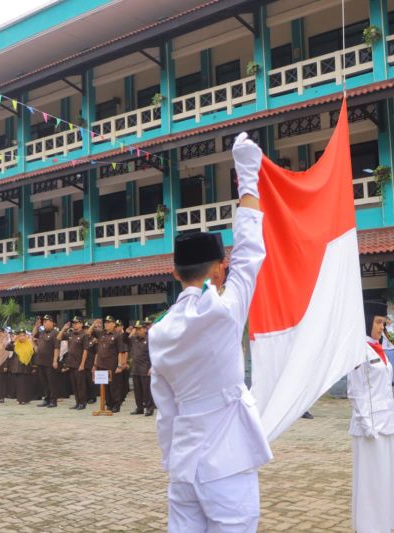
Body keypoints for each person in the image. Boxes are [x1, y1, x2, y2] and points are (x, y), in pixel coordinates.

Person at [148, 132, 272, 532]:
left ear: (174, 274)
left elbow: (165, 409)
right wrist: (247, 174)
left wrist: (173, 457)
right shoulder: (224, 311)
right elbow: (250, 251)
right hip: (227, 459)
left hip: (184, 462)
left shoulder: (158, 332)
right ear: (220, 269)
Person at [347, 301, 394, 533]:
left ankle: (383, 524)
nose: (382, 327)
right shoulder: (358, 350)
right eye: (378, 322)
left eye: (383, 323)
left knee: (385, 477)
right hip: (370, 426)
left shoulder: (378, 349)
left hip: (386, 423)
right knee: (370, 479)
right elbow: (356, 391)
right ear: (367, 321)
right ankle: (369, 527)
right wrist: (366, 424)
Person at [93, 316, 123, 413]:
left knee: (114, 386)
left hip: (112, 365)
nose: (106, 324)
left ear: (114, 324)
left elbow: (120, 351)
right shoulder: (101, 334)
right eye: (105, 322)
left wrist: (119, 365)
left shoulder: (117, 335)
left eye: (109, 322)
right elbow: (89, 332)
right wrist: (94, 324)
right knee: (104, 387)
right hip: (101, 364)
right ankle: (108, 404)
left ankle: (116, 405)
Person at [59, 316, 88, 410]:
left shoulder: (84, 335)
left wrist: (82, 364)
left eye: (76, 323)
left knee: (80, 385)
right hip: (71, 363)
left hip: (79, 364)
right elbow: (58, 337)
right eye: (73, 323)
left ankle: (82, 403)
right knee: (74, 385)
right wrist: (64, 328)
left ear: (81, 324)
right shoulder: (70, 334)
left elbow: (85, 350)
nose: (74, 324)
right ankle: (77, 402)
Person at [32, 315, 61, 408]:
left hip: (50, 362)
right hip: (40, 361)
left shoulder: (55, 333)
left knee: (51, 382)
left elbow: (56, 348)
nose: (44, 323)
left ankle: (53, 401)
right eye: (43, 322)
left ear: (52, 322)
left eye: (46, 321)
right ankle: (47, 399)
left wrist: (55, 360)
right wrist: (36, 326)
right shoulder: (42, 332)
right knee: (44, 382)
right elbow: (33, 335)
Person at [128, 321, 154, 416]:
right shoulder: (134, 339)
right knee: (137, 391)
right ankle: (139, 407)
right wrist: (132, 331)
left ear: (145, 329)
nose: (137, 331)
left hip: (145, 368)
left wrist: (152, 367)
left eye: (139, 329)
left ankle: (149, 408)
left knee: (146, 390)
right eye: (136, 329)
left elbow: (153, 354)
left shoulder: (149, 339)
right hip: (136, 368)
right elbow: (126, 340)